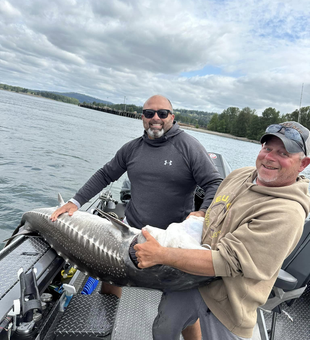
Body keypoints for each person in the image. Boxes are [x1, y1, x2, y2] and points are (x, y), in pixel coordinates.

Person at [51, 94, 223, 339]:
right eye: (149, 113)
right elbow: (104, 174)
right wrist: (75, 202)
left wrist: (203, 211)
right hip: (131, 234)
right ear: (142, 117)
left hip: (172, 242)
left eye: (162, 113)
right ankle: (103, 326)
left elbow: (215, 183)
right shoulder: (132, 148)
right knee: (109, 283)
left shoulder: (188, 146)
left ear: (172, 117)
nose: (155, 118)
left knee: (182, 312)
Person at [134, 121, 310, 340]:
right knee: (163, 329)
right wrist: (203, 214)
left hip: (229, 305)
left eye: (283, 153)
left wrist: (162, 255)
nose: (270, 157)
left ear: (303, 164)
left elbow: (226, 262)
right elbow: (217, 214)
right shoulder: (239, 175)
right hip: (191, 278)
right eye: (267, 148)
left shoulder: (286, 213)